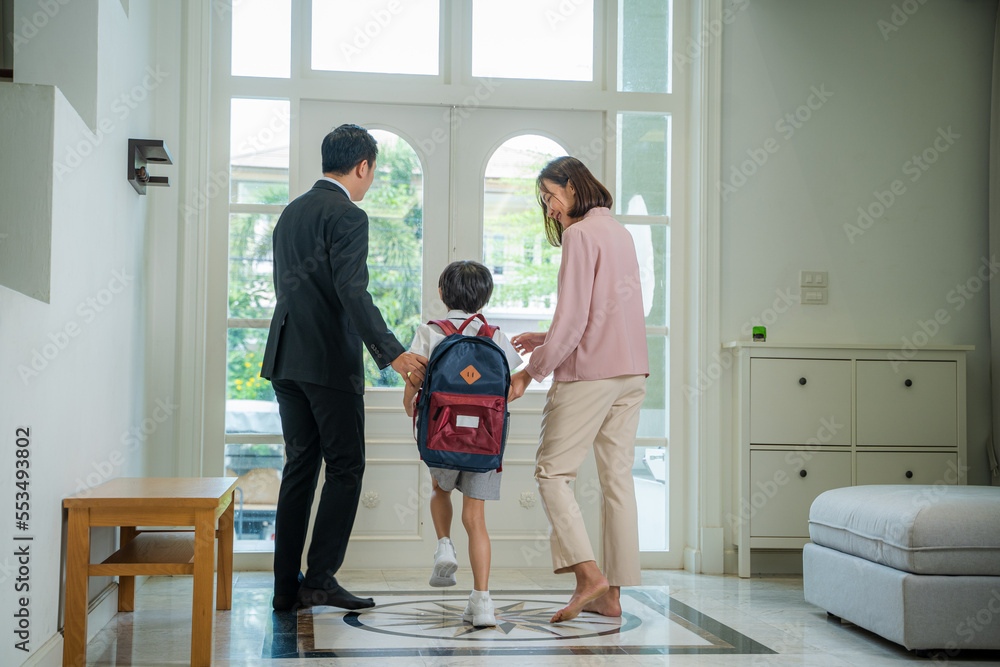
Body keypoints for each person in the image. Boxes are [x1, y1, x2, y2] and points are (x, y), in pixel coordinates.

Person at [260, 124, 427, 612]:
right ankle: (320, 579)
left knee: (299, 469)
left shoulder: (291, 212)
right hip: (328, 362)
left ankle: (285, 588)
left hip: (286, 359)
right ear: (363, 166)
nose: (370, 180)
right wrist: (394, 353)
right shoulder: (348, 216)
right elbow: (352, 292)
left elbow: (289, 288)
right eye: (371, 172)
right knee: (347, 467)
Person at [507, 156, 649, 624]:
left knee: (552, 474)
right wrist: (547, 341)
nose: (548, 208)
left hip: (590, 375)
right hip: (631, 372)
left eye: (549, 196)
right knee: (617, 481)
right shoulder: (620, 232)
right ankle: (612, 597)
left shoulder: (580, 234)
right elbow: (603, 313)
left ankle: (590, 577)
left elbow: (574, 321)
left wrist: (529, 371)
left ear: (571, 187)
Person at [403, 260, 522, 627]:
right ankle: (483, 602)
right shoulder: (496, 336)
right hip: (485, 443)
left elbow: (413, 384)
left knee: (440, 491)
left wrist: (410, 406)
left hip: (441, 436)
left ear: (442, 293)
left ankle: (443, 545)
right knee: (477, 519)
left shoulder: (429, 332)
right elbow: (511, 390)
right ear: (485, 297)